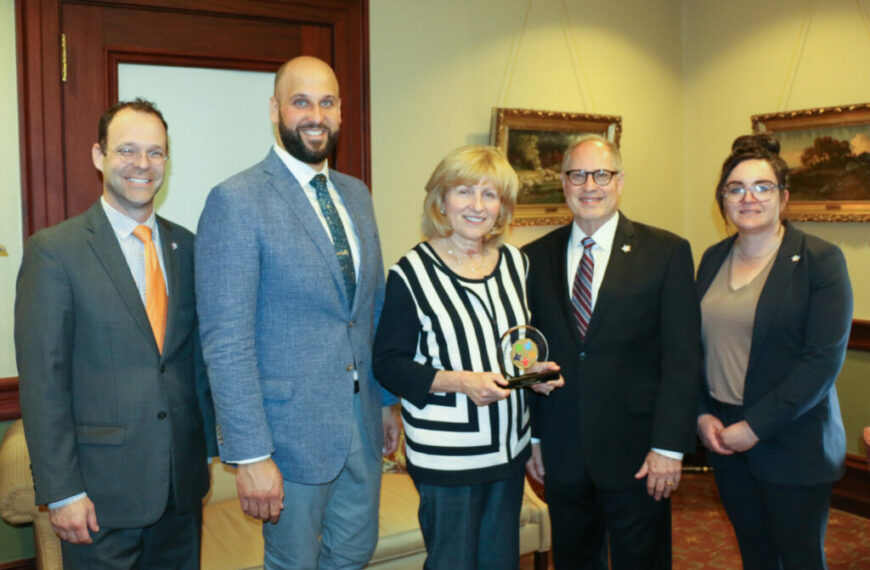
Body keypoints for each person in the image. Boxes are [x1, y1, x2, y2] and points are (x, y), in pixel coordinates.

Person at [195, 56, 399, 569]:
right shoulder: (236, 200)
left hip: (361, 424)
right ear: (275, 109)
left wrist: (385, 401)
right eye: (301, 101)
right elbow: (227, 340)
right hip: (287, 437)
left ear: (340, 112)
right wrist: (250, 454)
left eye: (326, 102)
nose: (315, 115)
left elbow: (368, 308)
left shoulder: (356, 194)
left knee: (353, 554)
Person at [14, 98, 216, 569]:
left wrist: (204, 455)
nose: (142, 165)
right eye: (126, 150)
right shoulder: (54, 252)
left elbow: (192, 362)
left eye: (156, 152)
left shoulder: (186, 247)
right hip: (99, 500)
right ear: (99, 156)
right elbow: (44, 383)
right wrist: (62, 491)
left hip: (179, 492)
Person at [372, 145, 563, 570]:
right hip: (448, 457)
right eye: (464, 192)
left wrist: (534, 373)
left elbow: (516, 345)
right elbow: (388, 363)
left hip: (508, 451)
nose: (478, 206)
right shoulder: (411, 273)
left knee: (499, 562)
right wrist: (459, 381)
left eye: (490, 195)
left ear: (503, 208)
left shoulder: (517, 264)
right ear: (441, 200)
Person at [522, 135, 701, 569]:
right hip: (563, 451)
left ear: (620, 182)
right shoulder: (532, 258)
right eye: (577, 175)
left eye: (601, 174)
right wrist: (537, 436)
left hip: (639, 453)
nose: (590, 186)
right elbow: (528, 353)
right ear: (563, 183)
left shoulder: (666, 252)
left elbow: (683, 359)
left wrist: (669, 447)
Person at [696, 134, 852, 570]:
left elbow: (821, 362)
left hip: (792, 441)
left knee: (800, 559)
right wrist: (701, 412)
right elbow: (694, 345)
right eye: (735, 188)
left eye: (762, 187)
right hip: (724, 437)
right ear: (722, 200)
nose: (748, 198)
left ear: (783, 198)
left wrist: (756, 426)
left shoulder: (821, 261)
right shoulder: (711, 258)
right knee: (756, 556)